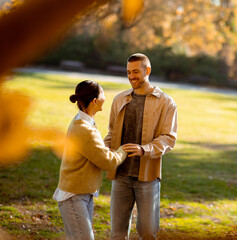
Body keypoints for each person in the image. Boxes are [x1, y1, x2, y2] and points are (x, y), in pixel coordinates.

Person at [104, 53, 177, 240]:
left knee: (148, 232)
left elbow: (168, 138)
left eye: (136, 72)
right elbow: (111, 134)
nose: (131, 76)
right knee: (117, 233)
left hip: (148, 177)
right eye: (128, 72)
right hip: (120, 175)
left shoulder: (166, 102)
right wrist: (99, 151)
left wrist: (144, 149)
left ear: (148, 70)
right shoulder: (119, 99)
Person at [53, 80, 127, 240]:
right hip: (74, 196)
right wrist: (123, 150)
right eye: (103, 93)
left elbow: (95, 151)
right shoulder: (84, 129)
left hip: (82, 193)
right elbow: (107, 162)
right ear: (95, 100)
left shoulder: (82, 122)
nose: (105, 97)